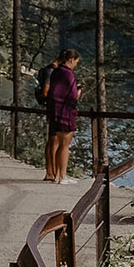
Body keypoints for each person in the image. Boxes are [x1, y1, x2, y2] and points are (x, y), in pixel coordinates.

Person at [43, 48, 81, 184]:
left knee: (58, 143)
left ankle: (57, 174)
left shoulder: (56, 71)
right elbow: (72, 96)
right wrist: (79, 92)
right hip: (65, 112)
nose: (76, 64)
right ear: (71, 60)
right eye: (76, 62)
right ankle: (62, 176)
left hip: (54, 111)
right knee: (65, 145)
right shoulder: (68, 74)